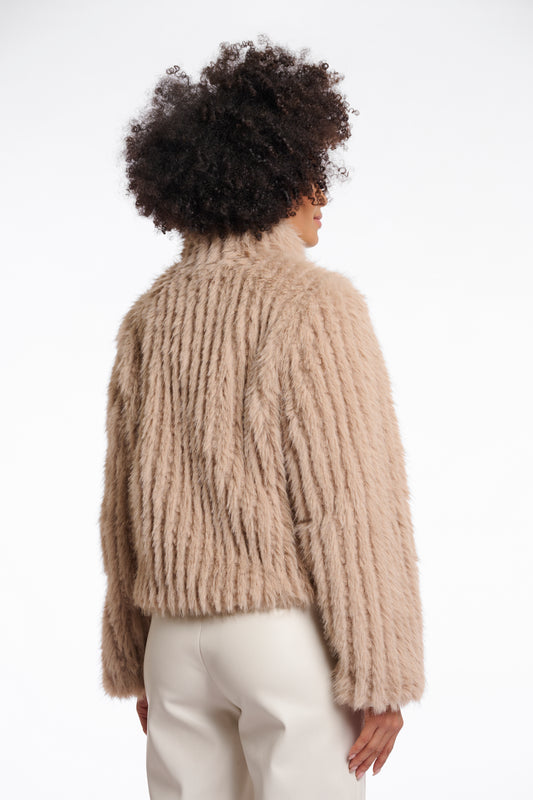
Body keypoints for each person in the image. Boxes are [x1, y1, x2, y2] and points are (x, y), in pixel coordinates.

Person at [99, 35, 425, 799]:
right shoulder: (315, 304)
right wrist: (379, 669)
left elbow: (123, 507)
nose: (322, 193)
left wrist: (137, 656)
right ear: (271, 178)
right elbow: (347, 501)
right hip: (281, 642)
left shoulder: (149, 316)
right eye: (311, 172)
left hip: (173, 642)